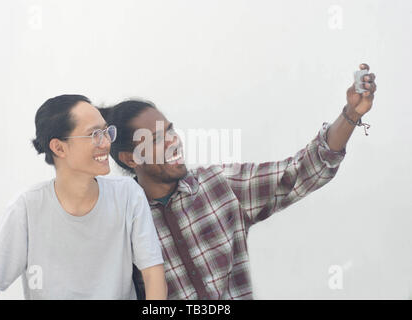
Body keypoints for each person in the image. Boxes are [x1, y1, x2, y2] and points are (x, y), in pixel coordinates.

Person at [99, 64, 377, 299]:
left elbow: (300, 172)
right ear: (130, 158)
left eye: (170, 130)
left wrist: (351, 115)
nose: (173, 142)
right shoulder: (121, 223)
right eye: (157, 139)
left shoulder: (219, 186)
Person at [0, 94, 167, 300]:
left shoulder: (128, 194)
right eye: (94, 134)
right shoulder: (27, 208)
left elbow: (153, 274)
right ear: (59, 148)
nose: (106, 142)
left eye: (106, 131)